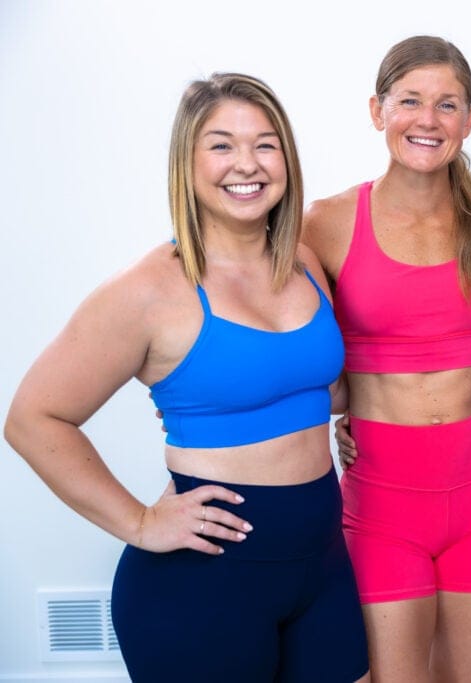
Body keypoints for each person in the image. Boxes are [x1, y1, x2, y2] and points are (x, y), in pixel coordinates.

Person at [4, 73, 369, 682]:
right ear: (188, 163)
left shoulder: (303, 262)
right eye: (221, 144)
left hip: (322, 566)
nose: (246, 164)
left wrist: (354, 413)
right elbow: (33, 418)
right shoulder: (149, 291)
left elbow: (314, 385)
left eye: (266, 143)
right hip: (205, 582)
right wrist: (140, 522)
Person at [301, 36, 471, 682]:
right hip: (382, 503)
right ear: (378, 110)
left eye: (447, 104)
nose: (427, 120)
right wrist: (346, 409)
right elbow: (307, 348)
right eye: (409, 101)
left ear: (469, 120)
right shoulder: (329, 222)